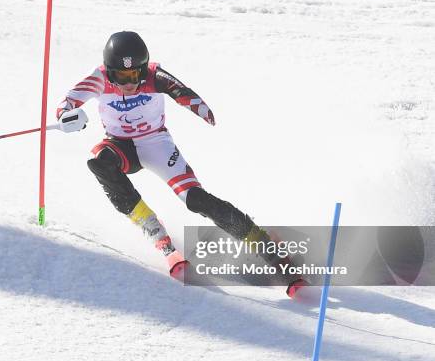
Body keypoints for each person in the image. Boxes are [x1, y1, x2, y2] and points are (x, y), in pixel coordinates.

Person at [56, 31, 305, 297]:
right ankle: (158, 238)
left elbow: (179, 90)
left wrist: (198, 106)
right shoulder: (99, 78)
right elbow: (67, 103)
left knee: (197, 199)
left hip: (156, 144)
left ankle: (268, 250)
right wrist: (67, 115)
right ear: (109, 71)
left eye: (134, 75)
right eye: (120, 76)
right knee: (100, 162)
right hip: (120, 145)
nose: (129, 83)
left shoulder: (153, 74)